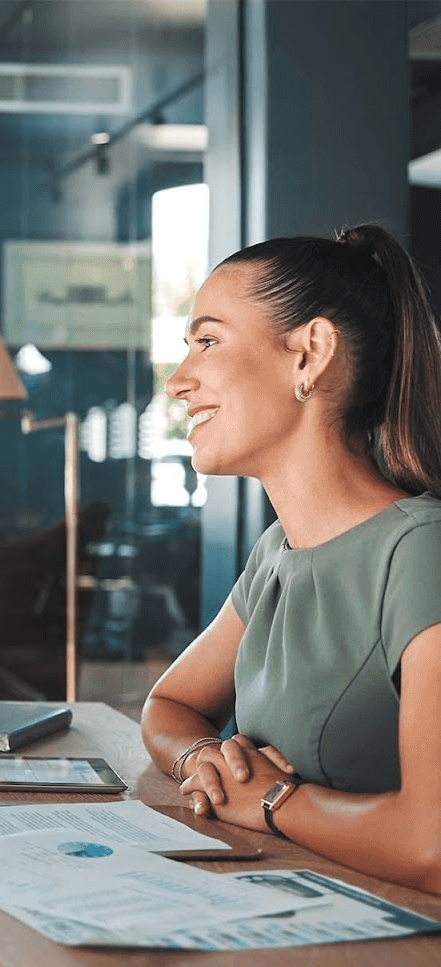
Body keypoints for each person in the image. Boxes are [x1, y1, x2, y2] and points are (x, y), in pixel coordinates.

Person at [142, 223, 441, 895]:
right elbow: (170, 706)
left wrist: (275, 803)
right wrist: (207, 759)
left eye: (208, 342)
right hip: (285, 909)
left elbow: (434, 844)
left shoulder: (422, 551)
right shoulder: (278, 552)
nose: (179, 382)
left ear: (310, 355)